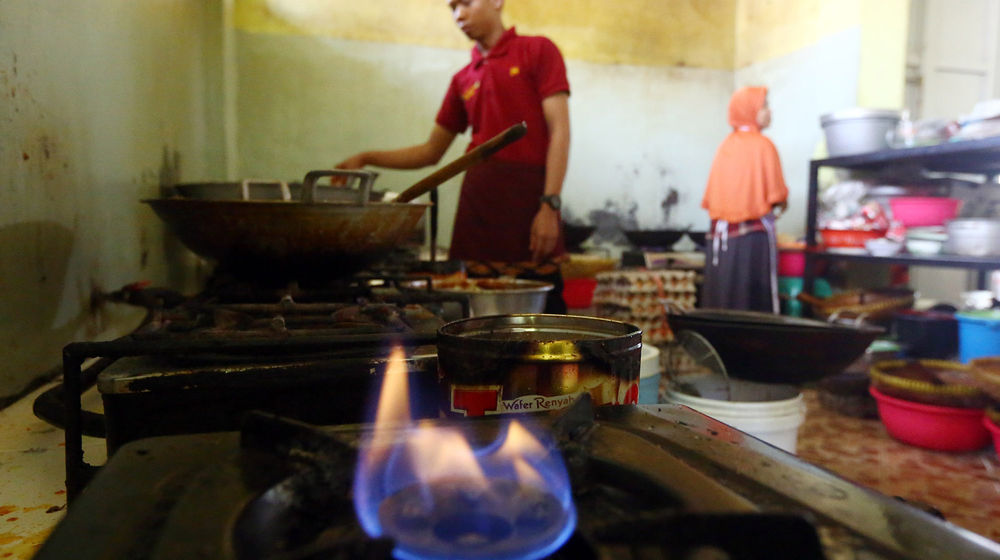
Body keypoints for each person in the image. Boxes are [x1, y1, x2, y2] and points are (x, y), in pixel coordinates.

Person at [336, 0, 571, 313]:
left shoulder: (538, 50)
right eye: (452, 8)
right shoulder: (463, 79)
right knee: (477, 315)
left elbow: (560, 132)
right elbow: (431, 152)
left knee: (543, 314)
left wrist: (550, 205)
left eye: (466, 3)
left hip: (528, 206)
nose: (459, 14)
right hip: (478, 209)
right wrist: (366, 157)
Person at [700, 86, 788, 313]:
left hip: (719, 239)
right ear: (751, 110)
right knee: (751, 301)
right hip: (753, 240)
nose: (770, 111)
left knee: (723, 295)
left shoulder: (725, 146)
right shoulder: (763, 145)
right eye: (764, 106)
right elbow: (777, 197)